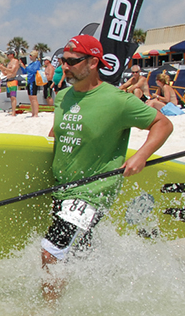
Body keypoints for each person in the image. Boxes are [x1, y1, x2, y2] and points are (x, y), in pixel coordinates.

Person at [42, 34, 172, 301]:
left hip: (94, 189)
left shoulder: (117, 100)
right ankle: (96, 297)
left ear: (93, 62)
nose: (65, 67)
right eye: (62, 61)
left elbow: (163, 124)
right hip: (63, 187)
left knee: (51, 250)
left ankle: (46, 313)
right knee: (78, 251)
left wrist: (142, 156)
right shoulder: (63, 96)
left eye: (72, 61)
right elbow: (62, 130)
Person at [1, 50, 21, 117]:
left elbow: (12, 71)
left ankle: (13, 112)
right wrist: (2, 69)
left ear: (12, 54)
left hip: (13, 80)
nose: (7, 56)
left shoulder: (15, 61)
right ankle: (12, 111)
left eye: (8, 54)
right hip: (8, 80)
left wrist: (4, 68)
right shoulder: (9, 63)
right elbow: (6, 73)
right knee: (10, 97)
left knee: (13, 97)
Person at [24, 50, 43, 117]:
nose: (30, 57)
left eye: (31, 55)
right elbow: (25, 71)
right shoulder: (31, 64)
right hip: (29, 81)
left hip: (33, 81)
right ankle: (33, 112)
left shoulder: (37, 63)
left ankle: (36, 113)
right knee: (30, 98)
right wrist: (22, 66)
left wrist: (27, 67)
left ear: (35, 56)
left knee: (34, 98)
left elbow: (34, 70)